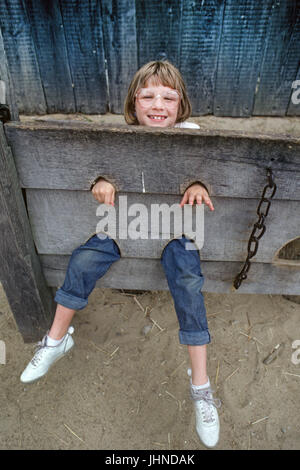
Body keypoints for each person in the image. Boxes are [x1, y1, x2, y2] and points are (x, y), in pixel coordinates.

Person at [20, 60, 221, 448]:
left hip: (175, 234)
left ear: (181, 106)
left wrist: (198, 183)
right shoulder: (118, 137)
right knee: (82, 259)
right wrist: (100, 180)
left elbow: (205, 163)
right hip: (123, 229)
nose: (157, 104)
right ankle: (56, 340)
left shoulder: (192, 134)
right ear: (133, 103)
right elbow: (101, 167)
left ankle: (201, 388)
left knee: (189, 283)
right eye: (147, 96)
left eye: (168, 96)